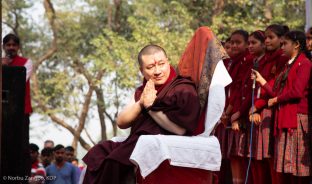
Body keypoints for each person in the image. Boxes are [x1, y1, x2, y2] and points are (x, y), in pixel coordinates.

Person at [82, 44, 201, 184]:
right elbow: (121, 122)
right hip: (136, 142)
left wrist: (150, 108)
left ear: (168, 62)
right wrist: (140, 103)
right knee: (99, 153)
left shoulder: (183, 88)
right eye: (150, 67)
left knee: (113, 162)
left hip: (158, 145)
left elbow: (179, 130)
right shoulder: (143, 91)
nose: (158, 71)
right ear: (141, 70)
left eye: (161, 64)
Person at [252, 30, 311, 184]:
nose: (282, 47)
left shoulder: (305, 63)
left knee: (299, 168)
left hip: (296, 118)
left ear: (297, 44)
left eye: (285, 43)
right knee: (288, 166)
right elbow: (277, 91)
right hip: (284, 118)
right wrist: (262, 81)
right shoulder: (287, 65)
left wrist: (277, 99)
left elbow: (297, 92)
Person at [2, 33, 33, 179]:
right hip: (3, 113)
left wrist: (5, 69)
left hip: (21, 112)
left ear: (18, 47)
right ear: (4, 47)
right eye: (8, 45)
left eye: (14, 45)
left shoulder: (27, 63)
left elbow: (18, 83)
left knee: (20, 145)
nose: (11, 48)